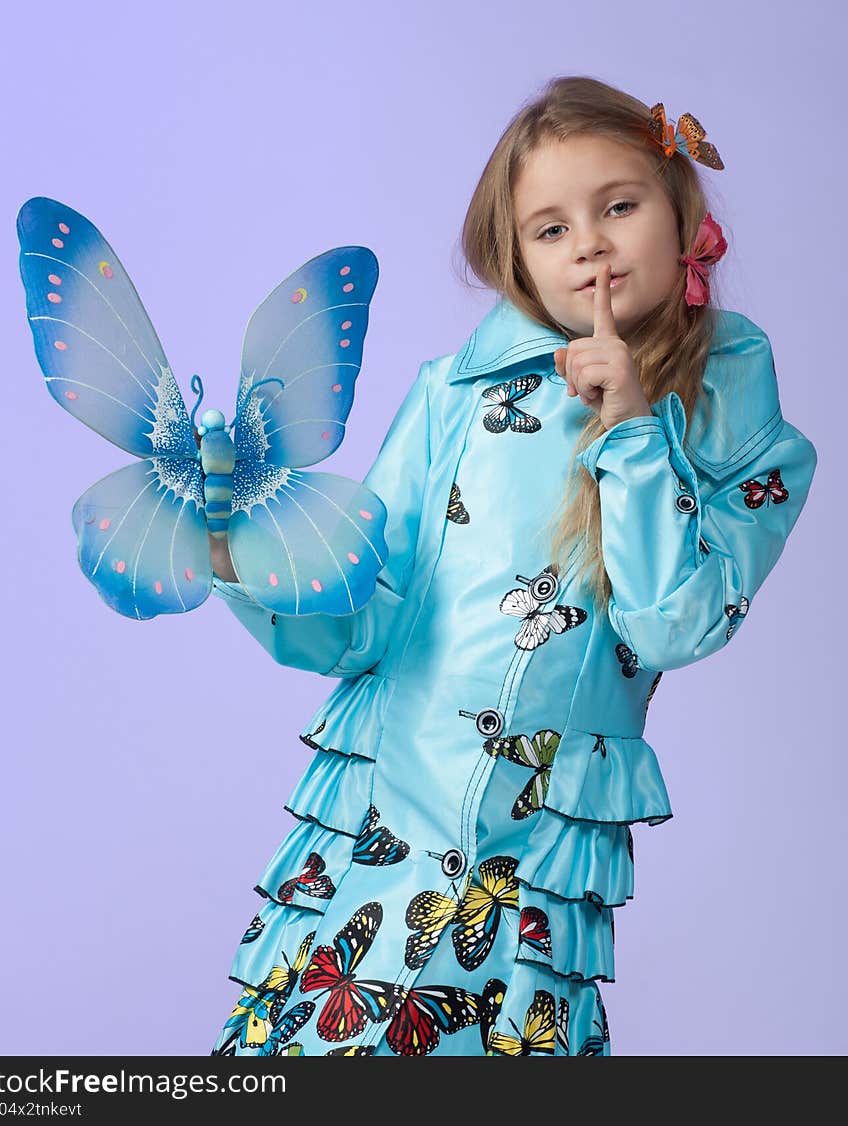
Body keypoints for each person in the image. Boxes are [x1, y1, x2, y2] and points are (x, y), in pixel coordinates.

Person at [208, 75, 817, 1057]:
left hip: (528, 880)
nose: (589, 243)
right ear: (515, 261)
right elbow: (357, 626)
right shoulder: (451, 397)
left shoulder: (744, 443)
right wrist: (237, 548)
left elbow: (673, 624)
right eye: (548, 228)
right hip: (373, 848)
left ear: (681, 216)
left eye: (618, 206)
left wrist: (629, 426)